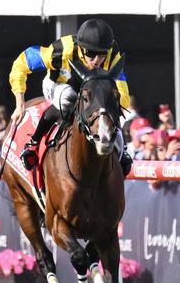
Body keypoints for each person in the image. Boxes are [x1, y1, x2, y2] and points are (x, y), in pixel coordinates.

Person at [10, 18, 133, 175]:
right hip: (58, 84)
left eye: (101, 54)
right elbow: (21, 64)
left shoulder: (112, 54)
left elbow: (124, 97)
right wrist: (19, 104)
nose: (97, 60)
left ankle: (122, 148)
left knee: (109, 102)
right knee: (70, 97)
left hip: (90, 89)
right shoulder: (60, 51)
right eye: (91, 53)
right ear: (81, 48)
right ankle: (33, 143)